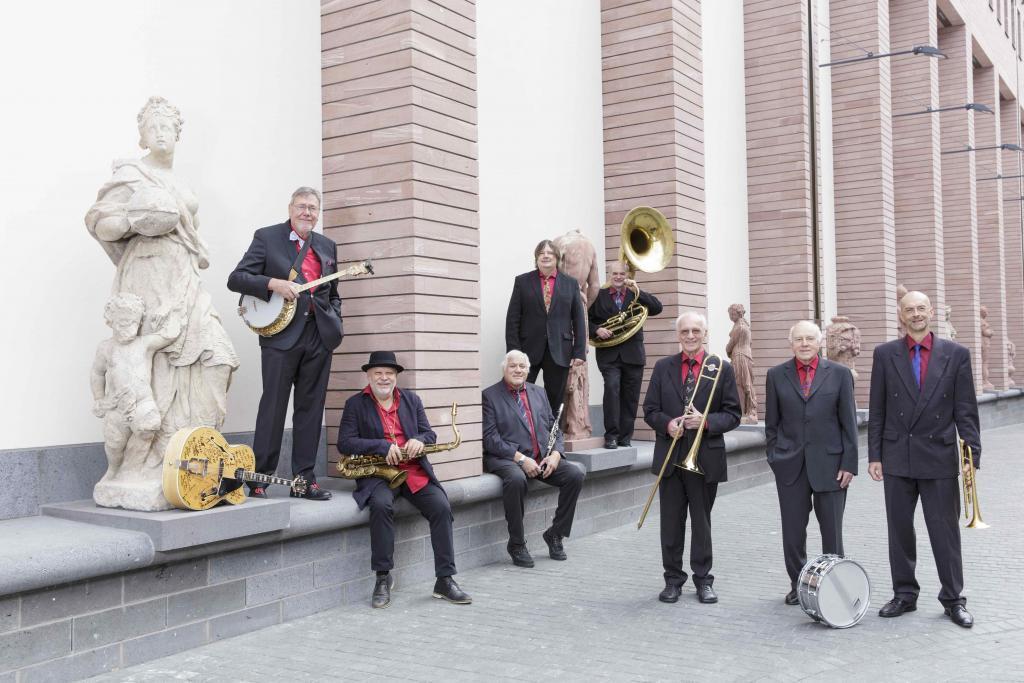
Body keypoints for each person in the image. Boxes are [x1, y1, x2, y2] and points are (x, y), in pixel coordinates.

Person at [85, 96, 238, 469]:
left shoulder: (180, 184)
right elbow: (99, 222)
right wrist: (137, 219)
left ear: (177, 134)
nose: (161, 133)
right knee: (154, 363)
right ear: (142, 137)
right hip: (146, 276)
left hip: (184, 276)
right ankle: (151, 462)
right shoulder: (131, 175)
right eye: (153, 128)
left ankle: (195, 451)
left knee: (217, 357)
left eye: (167, 127)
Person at [868, 291, 980, 628]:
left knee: (944, 532)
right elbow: (878, 409)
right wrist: (875, 455)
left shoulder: (957, 354)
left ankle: (953, 599)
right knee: (899, 530)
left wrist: (971, 454)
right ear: (900, 315)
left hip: (939, 456)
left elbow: (966, 409)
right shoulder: (885, 354)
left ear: (931, 312)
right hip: (897, 455)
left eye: (921, 308)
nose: (915, 314)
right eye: (909, 309)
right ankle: (904, 594)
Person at [227, 187, 342, 501]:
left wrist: (335, 321)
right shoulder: (267, 237)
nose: (307, 212)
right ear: (291, 208)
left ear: (318, 213)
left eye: (313, 208)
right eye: (302, 206)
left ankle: (304, 481)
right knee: (274, 405)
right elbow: (236, 278)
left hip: (319, 336)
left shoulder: (327, 245)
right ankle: (261, 477)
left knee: (310, 408)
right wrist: (273, 283)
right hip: (280, 337)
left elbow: (333, 294)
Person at [337, 351, 471, 608]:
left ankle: (445, 579)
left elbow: (429, 434)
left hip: (412, 471)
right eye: (378, 373)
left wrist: (418, 441)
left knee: (441, 507)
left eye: (389, 373)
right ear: (368, 376)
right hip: (377, 473)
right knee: (380, 506)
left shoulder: (412, 400)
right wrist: (380, 445)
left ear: (396, 376)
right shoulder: (355, 403)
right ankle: (383, 577)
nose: (384, 378)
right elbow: (345, 442)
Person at [643, 312, 741, 604]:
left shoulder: (721, 367)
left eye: (695, 330)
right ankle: (672, 580)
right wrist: (667, 424)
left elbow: (733, 413)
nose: (690, 335)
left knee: (701, 523)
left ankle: (703, 580)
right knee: (670, 524)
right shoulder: (663, 367)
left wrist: (707, 422)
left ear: (705, 333)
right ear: (678, 335)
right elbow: (650, 410)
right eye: (684, 331)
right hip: (671, 458)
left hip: (704, 458)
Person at [764, 320, 858, 606]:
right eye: (799, 339)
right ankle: (798, 584)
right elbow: (772, 424)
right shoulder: (776, 375)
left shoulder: (840, 374)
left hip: (831, 467)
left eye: (810, 338)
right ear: (791, 343)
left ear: (820, 342)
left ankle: (835, 586)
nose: (804, 344)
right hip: (790, 467)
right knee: (793, 534)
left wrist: (849, 464)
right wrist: (775, 457)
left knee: (832, 533)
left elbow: (849, 423)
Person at [482, 351, 586, 568]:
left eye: (522, 366)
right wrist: (521, 459)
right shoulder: (489, 396)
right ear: (504, 368)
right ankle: (517, 543)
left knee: (575, 473)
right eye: (513, 366)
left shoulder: (539, 392)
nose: (518, 370)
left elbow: (554, 428)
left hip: (542, 457)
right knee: (516, 480)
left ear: (528, 370)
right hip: (507, 458)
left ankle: (555, 534)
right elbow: (490, 439)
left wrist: (556, 454)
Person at [505, 240, 587, 413]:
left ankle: (551, 435)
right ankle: (522, 434)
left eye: (550, 253)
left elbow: (578, 319)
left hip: (560, 350)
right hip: (527, 350)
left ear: (557, 258)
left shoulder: (570, 284)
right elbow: (512, 320)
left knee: (555, 399)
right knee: (519, 395)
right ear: (536, 258)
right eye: (541, 253)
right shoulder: (522, 281)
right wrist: (514, 351)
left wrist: (579, 351)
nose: (546, 256)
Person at [589, 262, 663, 449]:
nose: (618, 277)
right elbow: (584, 318)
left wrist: (638, 289)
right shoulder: (599, 295)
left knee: (631, 397)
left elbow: (657, 307)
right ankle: (611, 436)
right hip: (609, 354)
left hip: (633, 355)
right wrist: (597, 329)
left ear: (627, 275)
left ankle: (625, 437)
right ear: (609, 274)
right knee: (612, 389)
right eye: (615, 273)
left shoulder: (635, 294)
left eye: (622, 273)